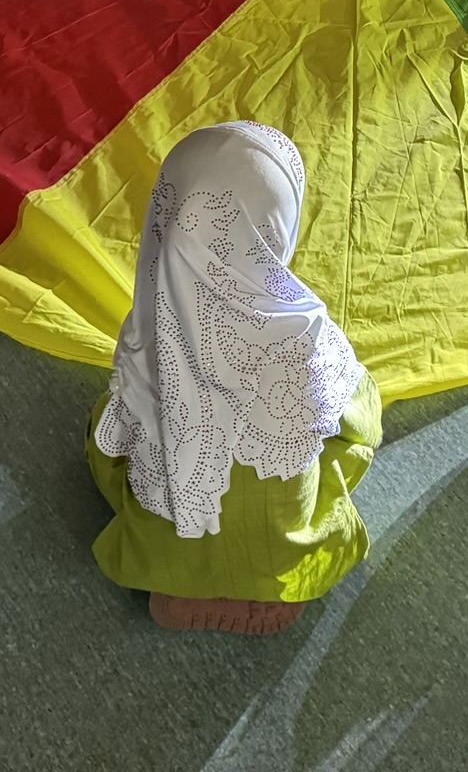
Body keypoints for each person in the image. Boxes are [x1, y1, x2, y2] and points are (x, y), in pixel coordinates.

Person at [88, 123, 379, 635]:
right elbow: (355, 427)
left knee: (108, 426)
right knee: (352, 417)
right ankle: (266, 585)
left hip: (165, 539)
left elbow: (120, 435)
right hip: (277, 540)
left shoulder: (149, 325)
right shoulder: (308, 337)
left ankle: (176, 579)